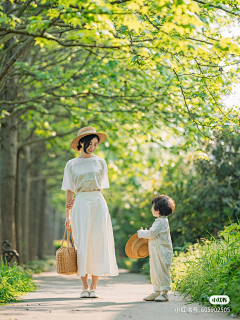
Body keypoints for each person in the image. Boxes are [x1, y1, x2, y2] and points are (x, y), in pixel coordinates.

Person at [61, 126, 119, 299]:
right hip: (80, 203)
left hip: (98, 203)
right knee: (81, 243)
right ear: (81, 143)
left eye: (95, 144)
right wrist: (68, 215)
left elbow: (100, 185)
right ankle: (84, 287)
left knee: (98, 243)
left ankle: (94, 287)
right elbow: (69, 190)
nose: (93, 147)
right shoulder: (71, 164)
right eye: (90, 144)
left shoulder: (100, 161)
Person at [137, 195, 175, 302]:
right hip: (156, 252)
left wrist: (141, 233)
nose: (151, 209)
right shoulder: (161, 221)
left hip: (161, 253)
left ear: (158, 209)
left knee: (161, 271)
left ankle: (164, 293)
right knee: (155, 271)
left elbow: (152, 233)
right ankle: (157, 291)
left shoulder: (160, 221)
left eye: (153, 206)